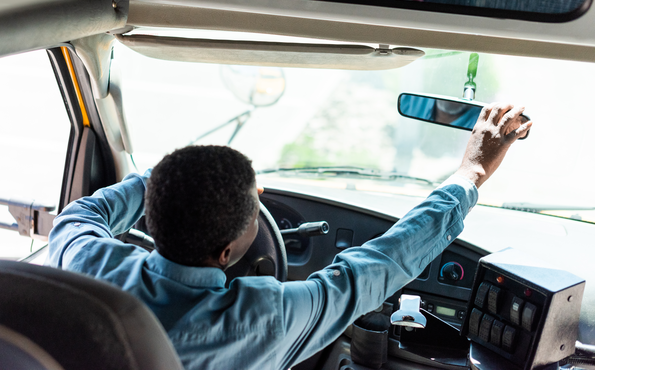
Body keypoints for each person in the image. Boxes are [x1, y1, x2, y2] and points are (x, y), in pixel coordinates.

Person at [48, 103, 532, 369]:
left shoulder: (85, 262)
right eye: (253, 216)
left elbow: (80, 212)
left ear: (151, 216)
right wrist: (470, 173)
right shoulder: (264, 318)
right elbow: (380, 266)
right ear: (228, 252)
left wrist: (176, 177)